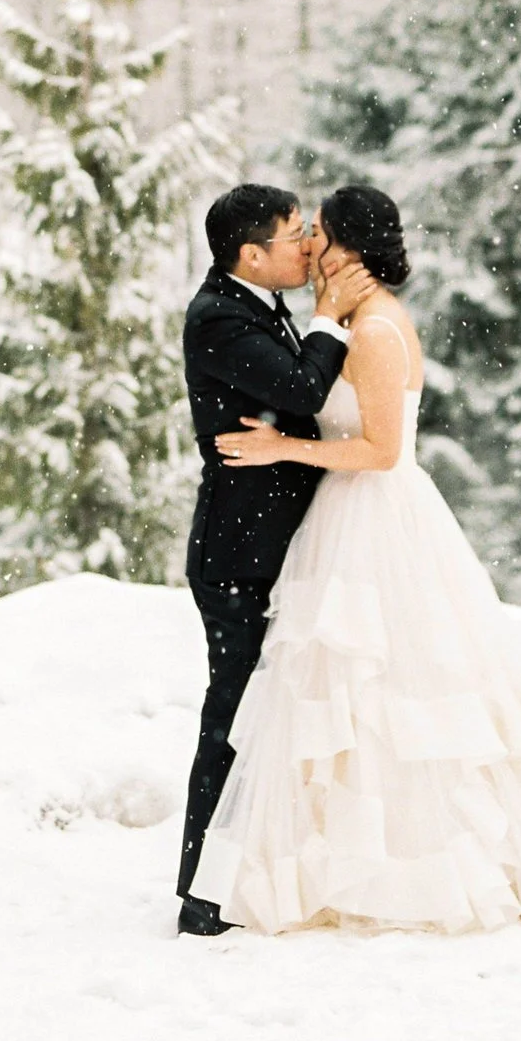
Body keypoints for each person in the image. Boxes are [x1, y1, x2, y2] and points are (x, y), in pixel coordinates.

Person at [187, 184, 521, 934]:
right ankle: (257, 875)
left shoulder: (371, 330)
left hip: (370, 515)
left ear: (348, 250)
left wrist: (283, 445)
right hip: (333, 521)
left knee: (378, 692)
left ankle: (392, 866)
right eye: (298, 233)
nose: (309, 245)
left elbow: (379, 450)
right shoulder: (343, 321)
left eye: (319, 234)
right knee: (334, 696)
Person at [174, 183, 378, 937]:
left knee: (266, 714)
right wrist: (332, 317)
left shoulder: (257, 306)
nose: (307, 246)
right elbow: (298, 386)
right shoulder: (219, 318)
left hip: (272, 544)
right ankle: (203, 894)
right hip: (238, 553)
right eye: (294, 235)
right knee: (233, 717)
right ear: (250, 254)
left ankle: (250, 873)